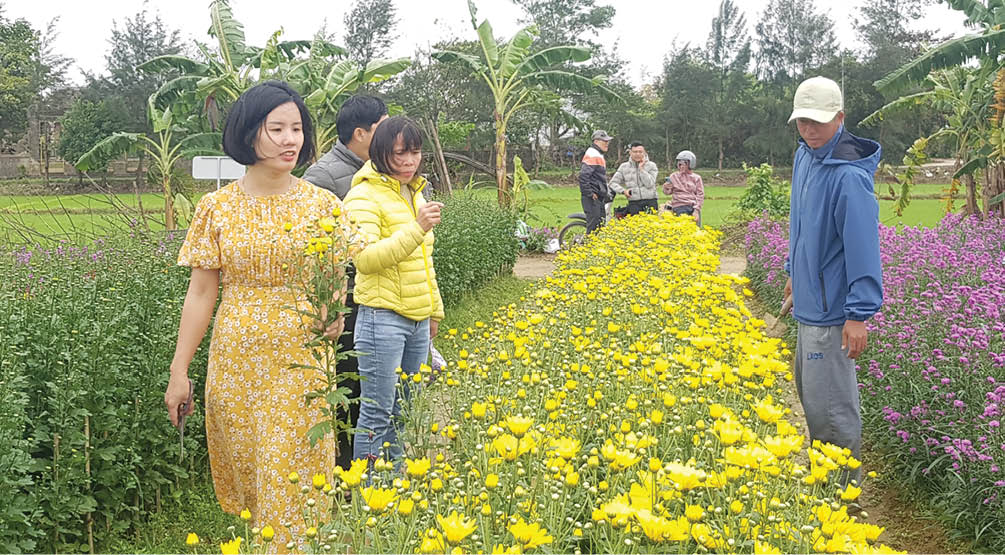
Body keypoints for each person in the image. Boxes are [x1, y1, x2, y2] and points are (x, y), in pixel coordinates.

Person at [165, 81, 354, 542]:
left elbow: (337, 274)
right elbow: (201, 293)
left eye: (297, 129)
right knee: (254, 478)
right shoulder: (217, 208)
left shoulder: (322, 205)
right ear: (249, 133)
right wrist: (179, 370)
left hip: (301, 361)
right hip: (237, 361)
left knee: (291, 479)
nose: (291, 140)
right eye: (277, 128)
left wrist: (335, 311)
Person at [784, 76, 884, 487]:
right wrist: (793, 274)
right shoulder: (805, 157)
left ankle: (843, 496)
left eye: (818, 122)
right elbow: (800, 226)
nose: (809, 130)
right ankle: (824, 481)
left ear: (840, 118)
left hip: (832, 313)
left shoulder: (848, 177)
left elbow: (863, 249)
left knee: (833, 408)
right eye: (802, 121)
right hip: (809, 302)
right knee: (812, 399)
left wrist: (858, 314)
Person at [343, 115, 445, 466]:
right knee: (377, 412)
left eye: (414, 152)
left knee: (406, 411)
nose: (407, 161)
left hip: (417, 320)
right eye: (399, 153)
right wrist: (416, 228)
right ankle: (369, 490)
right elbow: (366, 260)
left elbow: (423, 261)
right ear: (380, 153)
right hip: (381, 319)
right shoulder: (362, 196)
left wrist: (434, 311)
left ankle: (397, 483)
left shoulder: (413, 192)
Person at [303, 94, 388, 471]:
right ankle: (341, 465)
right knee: (346, 383)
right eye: (382, 128)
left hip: (379, 293)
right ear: (360, 133)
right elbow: (313, 250)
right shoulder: (323, 177)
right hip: (346, 300)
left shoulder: (381, 169)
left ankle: (371, 458)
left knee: (374, 380)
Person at [609, 141, 659, 215]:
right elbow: (612, 183)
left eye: (640, 152)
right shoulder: (624, 167)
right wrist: (623, 191)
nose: (638, 154)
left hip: (651, 200)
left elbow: (649, 184)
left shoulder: (652, 165)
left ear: (644, 152)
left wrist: (641, 169)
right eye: (635, 152)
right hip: (634, 202)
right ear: (630, 152)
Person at [578, 130, 613, 233]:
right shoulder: (593, 154)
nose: (607, 144)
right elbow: (583, 176)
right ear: (596, 141)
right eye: (604, 141)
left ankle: (595, 247)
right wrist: (590, 193)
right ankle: (588, 247)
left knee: (600, 225)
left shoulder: (598, 154)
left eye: (608, 141)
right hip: (593, 197)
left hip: (598, 195)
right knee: (593, 227)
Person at [663, 150, 704, 226]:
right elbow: (668, 192)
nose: (681, 166)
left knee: (696, 230)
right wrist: (666, 187)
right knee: (683, 228)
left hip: (693, 206)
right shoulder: (674, 176)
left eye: (684, 164)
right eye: (679, 164)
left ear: (690, 164)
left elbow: (700, 195)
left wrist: (696, 210)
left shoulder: (696, 178)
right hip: (679, 206)